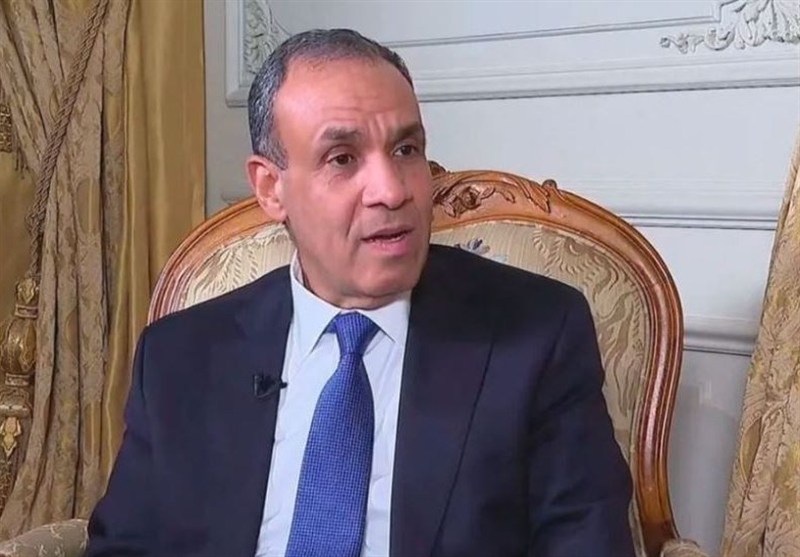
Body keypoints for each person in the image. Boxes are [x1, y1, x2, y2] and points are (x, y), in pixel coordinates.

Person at [85, 28, 635, 557]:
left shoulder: (536, 335)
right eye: (342, 158)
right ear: (271, 188)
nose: (392, 191)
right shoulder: (180, 354)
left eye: (406, 149)